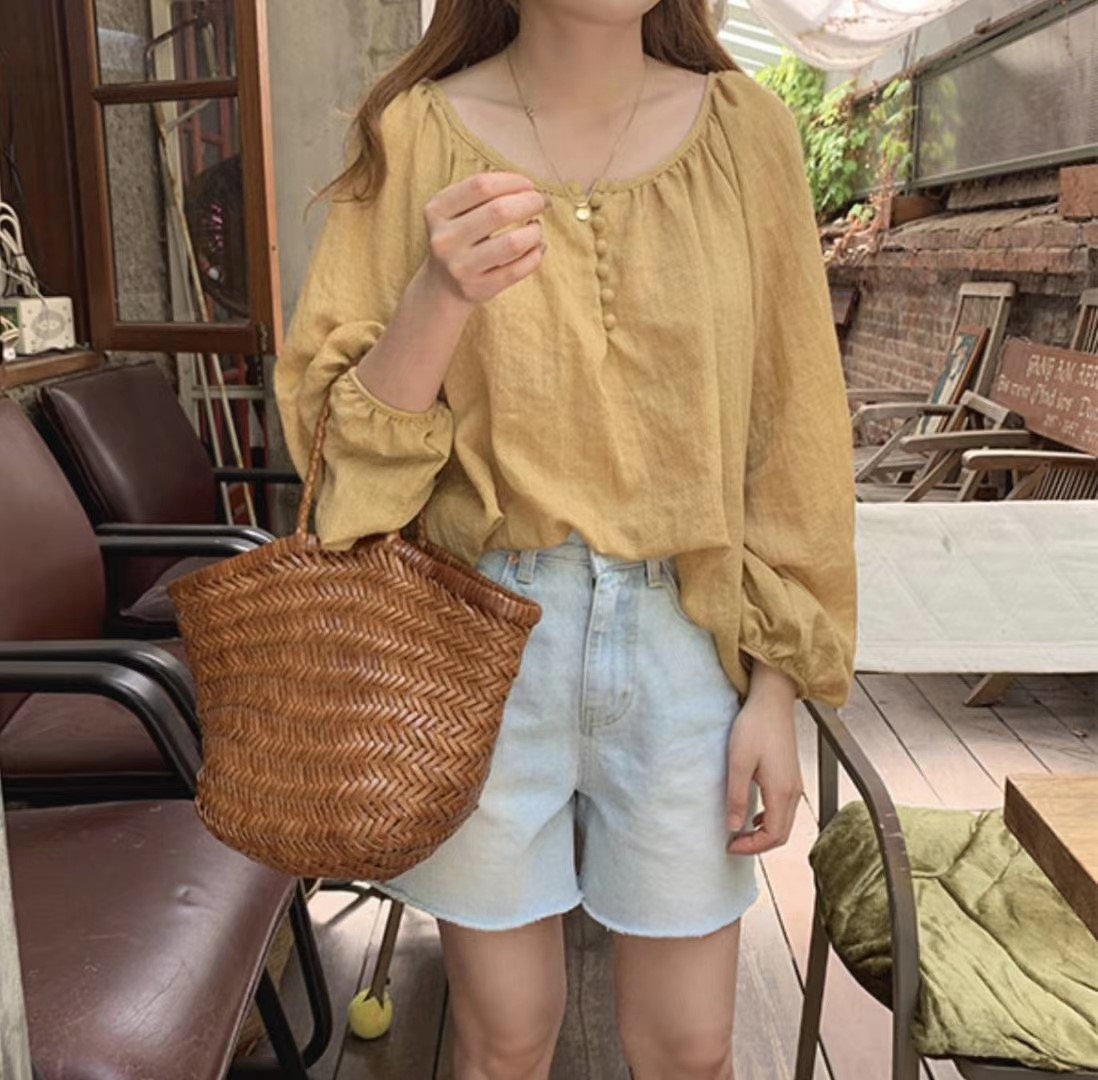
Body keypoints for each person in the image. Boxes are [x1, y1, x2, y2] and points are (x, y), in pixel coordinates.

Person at [275, 1, 857, 1076]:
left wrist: (778, 688)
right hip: (478, 642)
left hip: (690, 639)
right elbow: (342, 473)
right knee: (501, 1038)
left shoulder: (749, 133)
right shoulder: (416, 133)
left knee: (691, 1049)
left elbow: (797, 429)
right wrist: (439, 295)